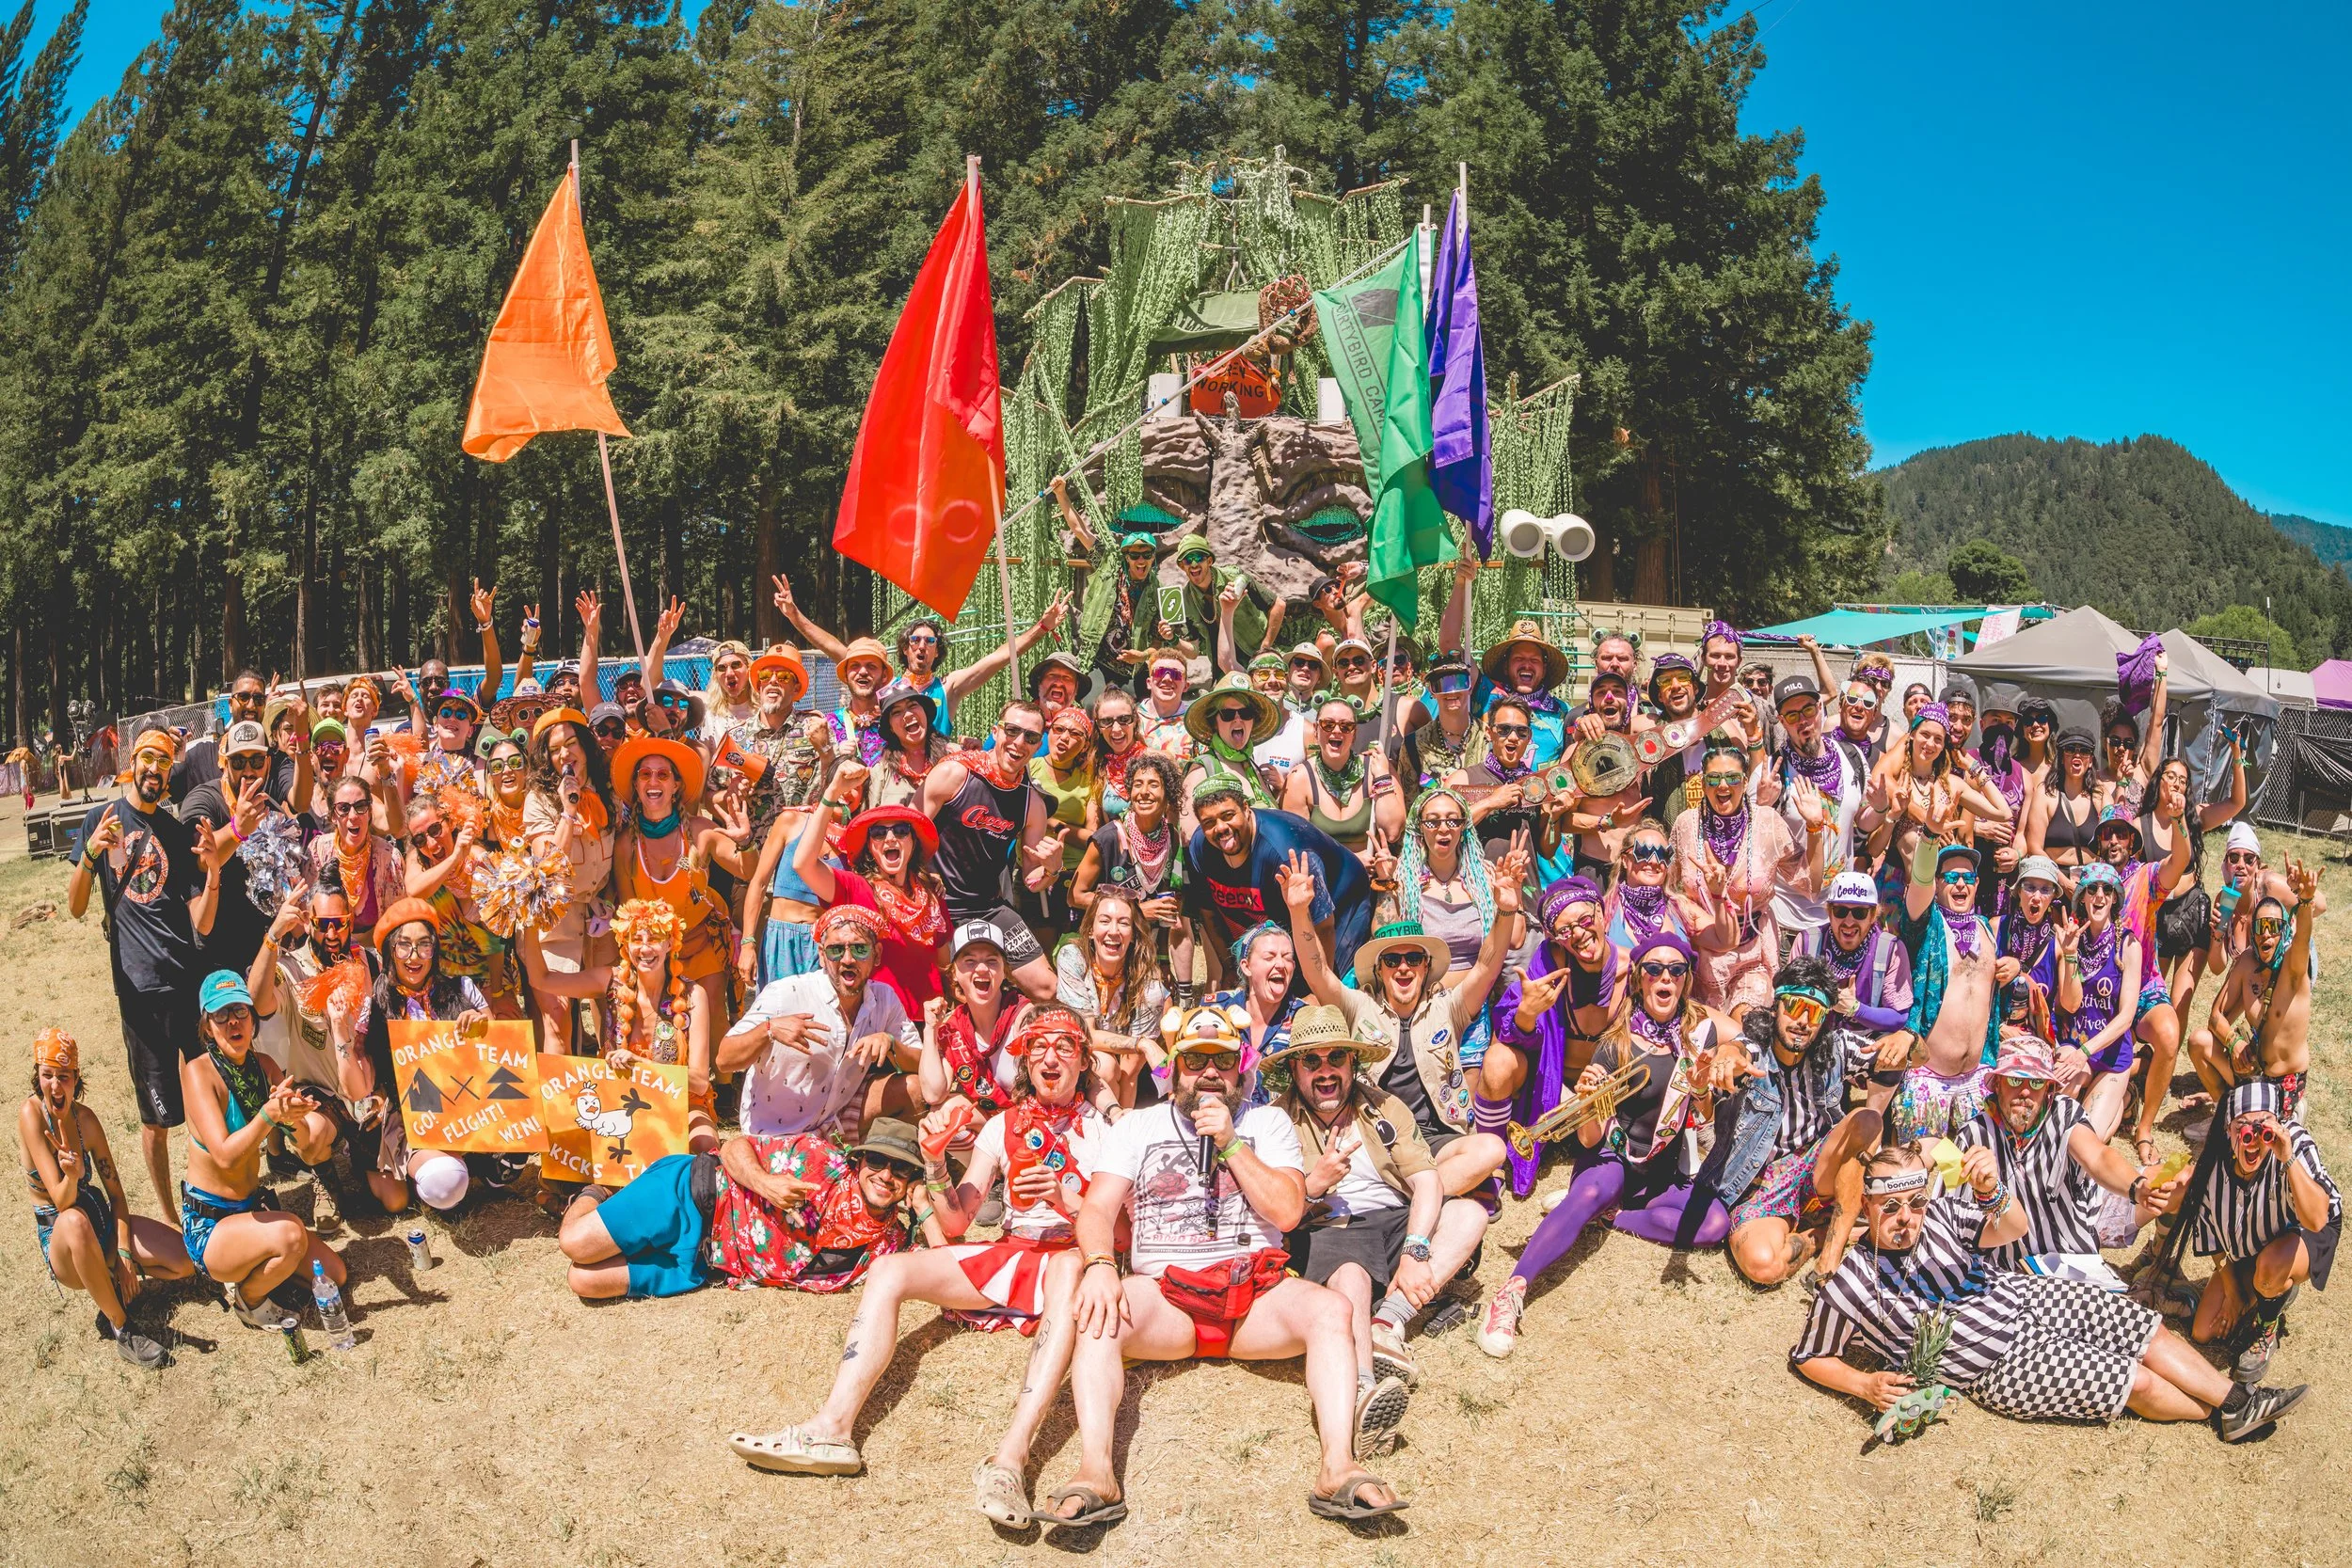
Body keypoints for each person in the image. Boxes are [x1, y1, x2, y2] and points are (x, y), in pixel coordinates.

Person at [730, 1007, 1106, 1508]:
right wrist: (933, 1162)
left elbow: (1119, 1232)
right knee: (890, 1267)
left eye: (1064, 1047)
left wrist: (1064, 1201)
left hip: (1072, 1263)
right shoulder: (1002, 1128)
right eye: (1038, 1047)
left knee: (1066, 1265)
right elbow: (956, 1222)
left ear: (1083, 1059)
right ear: (1024, 1061)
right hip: (1013, 1257)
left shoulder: (1107, 1130)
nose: (1050, 1058)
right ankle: (832, 1428)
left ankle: (1009, 1462)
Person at [1046, 1006, 1406, 1528]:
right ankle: (1095, 1471)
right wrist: (1101, 1263)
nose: (1210, 1072)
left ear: (1243, 1067)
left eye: (1223, 1060)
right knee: (1099, 1318)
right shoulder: (1139, 1126)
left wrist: (1232, 1142)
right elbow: (1099, 1207)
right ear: (1173, 1067)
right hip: (1165, 1296)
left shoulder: (1267, 1122)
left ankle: (1339, 1465)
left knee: (1331, 1309)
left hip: (1255, 1295)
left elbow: (1286, 1210)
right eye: (1195, 1060)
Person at [1793, 1141, 2304, 1443]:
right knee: (2137, 1383)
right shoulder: (1850, 1284)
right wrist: (1863, 1387)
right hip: (1998, 1365)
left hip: (2024, 1294)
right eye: (1891, 1208)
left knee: (2140, 1328)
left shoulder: (1942, 1217)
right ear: (1866, 1206)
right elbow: (1810, 1355)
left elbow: (2013, 1227)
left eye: (1915, 1203)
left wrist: (1993, 1192)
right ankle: (2224, 1415)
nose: (1906, 1218)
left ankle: (2237, 1400)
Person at [1477, 931, 1740, 1355]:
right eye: (1654, 969)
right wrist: (1589, 1104)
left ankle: (1610, 1217)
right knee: (1593, 1190)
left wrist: (1716, 1074)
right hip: (1611, 1160)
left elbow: (1741, 1043)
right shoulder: (1614, 1044)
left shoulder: (1702, 1032)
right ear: (1639, 980)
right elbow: (1589, 1139)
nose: (1664, 977)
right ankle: (1511, 1293)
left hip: (1662, 1171)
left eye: (1676, 970)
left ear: (1686, 980)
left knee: (1714, 1225)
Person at [1274, 1004, 1490, 1431]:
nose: (1325, 1071)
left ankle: (1386, 1322)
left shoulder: (1383, 1107)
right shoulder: (1278, 1120)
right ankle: (1361, 1388)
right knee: (1351, 1276)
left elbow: (1427, 1181)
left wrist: (1415, 1248)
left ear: (1353, 1061)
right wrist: (1314, 1183)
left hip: (1391, 1220)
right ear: (1294, 1069)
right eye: (1311, 1060)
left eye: (1337, 1057)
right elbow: (1275, 1209)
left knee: (1467, 1214)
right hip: (1327, 1227)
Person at [1286, 857, 1519, 1197]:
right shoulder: (1357, 1007)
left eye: (1414, 959)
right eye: (1393, 960)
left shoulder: (1449, 1008)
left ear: (1426, 968)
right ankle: (1428, 1195)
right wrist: (1298, 911)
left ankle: (1405, 1198)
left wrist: (1506, 911)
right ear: (1379, 971)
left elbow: (1486, 966)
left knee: (1490, 1150)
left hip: (1439, 1137)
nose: (1404, 968)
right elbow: (1317, 970)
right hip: (1380, 1138)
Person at [70, 724, 212, 1216]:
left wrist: (214, 869)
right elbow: (75, 906)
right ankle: (171, 1218)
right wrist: (90, 855)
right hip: (140, 991)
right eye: (148, 757)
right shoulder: (100, 818)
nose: (155, 768)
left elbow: (197, 915)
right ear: (133, 758)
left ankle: (208, 1199)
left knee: (204, 1103)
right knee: (157, 1118)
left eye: (164, 760)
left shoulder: (173, 831)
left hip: (188, 985)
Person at [565, 1117, 932, 1302]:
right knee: (575, 1243)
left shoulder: (886, 1241)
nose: (885, 1175)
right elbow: (734, 1147)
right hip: (695, 1194)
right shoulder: (818, 1159)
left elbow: (945, 1261)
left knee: (583, 1280)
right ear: (859, 1159)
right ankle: (596, 1192)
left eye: (900, 1169)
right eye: (878, 1161)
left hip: (703, 1264)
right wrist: (766, 1183)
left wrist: (924, 1205)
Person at [1712, 954, 1893, 1289]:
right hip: (1760, 1186)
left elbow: (1906, 1057)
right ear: (1776, 1007)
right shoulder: (1756, 1048)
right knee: (1764, 1267)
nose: (1802, 1021)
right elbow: (1738, 1051)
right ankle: (1821, 1233)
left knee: (1866, 1119)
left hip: (1817, 1168)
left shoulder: (1836, 1048)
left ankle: (1830, 1258)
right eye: (1795, 1006)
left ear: (1824, 1019)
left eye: (1815, 1013)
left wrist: (1907, 1039)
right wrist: (1728, 1055)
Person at [181, 971, 348, 1329]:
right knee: (290, 1234)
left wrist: (297, 1119)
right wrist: (268, 1116)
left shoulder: (265, 1066)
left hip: (250, 1210)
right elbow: (225, 1155)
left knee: (335, 1274)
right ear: (207, 1026)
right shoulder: (199, 1074)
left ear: (252, 1018)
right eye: (220, 1016)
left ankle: (262, 1264)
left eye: (240, 1011)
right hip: (210, 1224)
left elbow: (304, 1149)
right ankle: (250, 1299)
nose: (233, 1023)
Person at [19, 1028, 192, 1368]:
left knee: (184, 1262)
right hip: (63, 1236)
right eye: (47, 1075)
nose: (55, 1086)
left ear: (76, 1077)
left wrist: (125, 1254)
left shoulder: (87, 1121)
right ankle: (122, 1327)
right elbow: (61, 1201)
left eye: (63, 1077)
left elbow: (117, 1196)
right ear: (37, 1075)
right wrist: (71, 1174)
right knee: (73, 1220)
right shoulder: (32, 1116)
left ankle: (111, 1282)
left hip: (98, 1223)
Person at [1956, 1033, 2169, 1291]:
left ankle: (2160, 1262)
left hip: (2076, 1232)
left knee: (2177, 1178)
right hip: (2011, 1265)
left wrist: (2137, 1187)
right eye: (2015, 1079)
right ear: (1998, 1083)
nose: (2025, 1091)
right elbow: (1950, 1219)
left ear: (2048, 1088)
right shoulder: (1973, 1135)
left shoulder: (2062, 1112)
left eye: (2036, 1083)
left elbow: (2098, 1156)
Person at [523, 897, 719, 1155]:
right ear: (625, 944)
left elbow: (700, 1083)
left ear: (670, 943)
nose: (645, 949)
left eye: (655, 939)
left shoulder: (693, 995)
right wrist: (527, 923)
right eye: (637, 939)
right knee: (563, 1133)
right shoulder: (610, 981)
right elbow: (542, 979)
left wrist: (642, 1066)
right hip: (617, 1099)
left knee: (705, 1143)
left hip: (680, 1103)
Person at [2178, 1079, 2339, 1385]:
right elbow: (2213, 1236)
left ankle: (2268, 1321)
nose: (2253, 1141)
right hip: (2253, 1235)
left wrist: (2287, 1158)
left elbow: (2317, 1219)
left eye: (2262, 1127)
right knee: (2204, 1330)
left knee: (2269, 1270)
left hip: (2303, 1228)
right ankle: (2269, 1289)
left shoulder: (2294, 1143)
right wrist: (2234, 1292)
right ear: (2228, 1130)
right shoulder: (2214, 1163)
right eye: (2244, 1129)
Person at [771, 568, 1066, 735]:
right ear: (905, 648)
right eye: (915, 640)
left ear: (937, 652)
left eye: (930, 641)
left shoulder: (948, 687)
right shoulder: (888, 687)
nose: (922, 646)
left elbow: (999, 658)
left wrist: (1042, 627)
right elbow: (838, 649)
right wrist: (794, 615)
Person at [718, 906, 918, 1140]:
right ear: (822, 956)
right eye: (835, 950)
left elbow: (922, 1064)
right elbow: (724, 1060)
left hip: (834, 1123)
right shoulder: (787, 993)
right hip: (777, 1135)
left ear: (877, 954)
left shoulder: (884, 998)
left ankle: (874, 1163)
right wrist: (768, 1030)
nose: (847, 959)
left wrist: (890, 1043)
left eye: (860, 949)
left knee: (916, 1089)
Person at [246, 881, 389, 1204]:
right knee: (308, 1136)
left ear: (351, 921)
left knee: (392, 1200)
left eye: (339, 923)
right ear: (309, 921)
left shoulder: (370, 962)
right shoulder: (291, 968)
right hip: (323, 1096)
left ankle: (361, 1158)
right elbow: (256, 1000)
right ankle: (324, 1176)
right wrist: (272, 937)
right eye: (323, 924)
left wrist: (383, 1092)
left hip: (367, 1093)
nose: (332, 933)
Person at [918, 701, 1062, 1000]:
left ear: (1038, 745)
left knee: (1047, 989)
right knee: (943, 996)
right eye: (1012, 731)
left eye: (1031, 737)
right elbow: (905, 829)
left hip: (987, 907)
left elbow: (1034, 880)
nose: (1019, 742)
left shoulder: (1031, 803)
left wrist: (1052, 866)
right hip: (936, 905)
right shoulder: (955, 774)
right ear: (996, 732)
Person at [1490, 877, 1622, 1199]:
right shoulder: (1550, 962)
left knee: (1607, 1156)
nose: (1577, 934)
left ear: (1602, 915)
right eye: (1564, 931)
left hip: (1603, 1095)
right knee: (1496, 1060)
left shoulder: (1633, 970)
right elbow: (1509, 1030)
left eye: (1585, 921)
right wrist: (1527, 1013)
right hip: (1552, 1090)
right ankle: (1490, 1162)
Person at [1673, 742, 1827, 1011]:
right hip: (1699, 954)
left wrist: (1815, 828)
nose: (1723, 786)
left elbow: (1810, 884)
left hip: (1752, 953)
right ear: (1703, 782)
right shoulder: (1686, 824)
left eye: (1732, 778)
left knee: (1746, 1032)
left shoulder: (1767, 822)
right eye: (1714, 778)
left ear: (1744, 782)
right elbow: (1669, 887)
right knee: (1705, 1041)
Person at [611, 734, 753, 1019]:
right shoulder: (626, 843)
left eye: (663, 775)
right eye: (645, 775)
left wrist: (745, 841)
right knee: (667, 1038)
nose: (653, 781)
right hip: (655, 953)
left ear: (675, 786)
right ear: (636, 785)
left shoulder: (700, 830)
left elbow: (747, 870)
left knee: (711, 1030)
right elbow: (627, 913)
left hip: (703, 943)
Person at [787, 792, 948, 1012]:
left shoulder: (932, 892)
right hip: (875, 1018)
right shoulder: (856, 888)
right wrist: (832, 793)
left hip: (928, 1017)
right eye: (879, 833)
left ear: (913, 842)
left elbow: (943, 960)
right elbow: (803, 864)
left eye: (901, 831)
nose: (890, 838)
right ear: (871, 848)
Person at [1056, 887, 1169, 1111]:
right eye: (1105, 921)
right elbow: (1085, 1035)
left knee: (1110, 1068)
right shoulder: (1072, 958)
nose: (1114, 931)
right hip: (1087, 1056)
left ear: (1134, 934)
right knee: (1104, 1065)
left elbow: (1131, 1072)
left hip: (1138, 1072)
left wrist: (1124, 1128)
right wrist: (1143, 1044)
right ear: (1089, 929)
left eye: (1124, 923)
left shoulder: (1149, 983)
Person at [2052, 862, 2144, 1139]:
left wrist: (2086, 1053)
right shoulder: (2072, 940)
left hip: (2111, 1055)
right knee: (2054, 1111)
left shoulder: (2128, 945)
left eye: (2107, 889)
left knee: (2090, 1137)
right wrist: (2069, 955)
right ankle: (2103, 1093)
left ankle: (2126, 1097)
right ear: (2083, 897)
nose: (2100, 895)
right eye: (2092, 889)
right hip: (2074, 1043)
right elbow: (2069, 1005)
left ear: (2115, 897)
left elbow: (2126, 1017)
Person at [918, 920, 1035, 1132]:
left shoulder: (1025, 1017)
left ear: (1004, 971)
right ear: (954, 973)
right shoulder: (953, 1027)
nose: (982, 969)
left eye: (992, 961)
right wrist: (930, 1029)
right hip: (998, 1125)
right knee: (938, 1116)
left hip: (1036, 1126)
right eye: (970, 961)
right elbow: (933, 1093)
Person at [1791, 869, 1914, 1038]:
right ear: (1829, 912)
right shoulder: (1807, 942)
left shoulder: (1891, 949)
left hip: (1866, 1047)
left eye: (1859, 913)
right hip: (1813, 1042)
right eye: (1840, 911)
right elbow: (1787, 1004)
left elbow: (1899, 1017)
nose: (1849, 922)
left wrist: (1856, 1009)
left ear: (1872, 915)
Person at [1280, 695, 1400, 857]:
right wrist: (1351, 861)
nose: (1337, 731)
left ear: (1354, 733)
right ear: (1315, 730)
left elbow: (1392, 832)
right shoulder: (1300, 779)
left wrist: (1382, 778)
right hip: (1323, 877)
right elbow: (1297, 845)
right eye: (1328, 724)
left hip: (1371, 877)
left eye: (1346, 726)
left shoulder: (1376, 769)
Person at [1179, 673, 1282, 818]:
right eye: (1228, 714)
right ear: (1214, 722)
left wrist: (1278, 791)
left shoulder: (1251, 766)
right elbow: (1189, 835)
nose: (1238, 719)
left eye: (1246, 713)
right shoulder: (1202, 771)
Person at [1389, 651, 1484, 803]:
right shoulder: (1414, 744)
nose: (1451, 691)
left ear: (1470, 687)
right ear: (1432, 691)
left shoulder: (1491, 739)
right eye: (1442, 684)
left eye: (1459, 682)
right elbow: (1409, 806)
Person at [1474, 619, 1571, 766]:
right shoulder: (1486, 697)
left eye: (1534, 660)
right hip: (1496, 787)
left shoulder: (1564, 712)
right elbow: (1450, 644)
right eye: (1518, 658)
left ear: (1544, 670)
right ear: (1506, 667)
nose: (1526, 665)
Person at [866, 679, 952, 812]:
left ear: (925, 713)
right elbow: (870, 823)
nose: (908, 714)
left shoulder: (953, 757)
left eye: (912, 706)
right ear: (891, 728)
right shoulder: (881, 773)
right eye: (896, 712)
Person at [2026, 729, 2103, 876]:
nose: (2077, 755)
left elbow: (2113, 839)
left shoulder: (2100, 795)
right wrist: (2063, 882)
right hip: (2054, 877)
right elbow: (2034, 847)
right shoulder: (2046, 793)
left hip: (2092, 879)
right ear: (2061, 758)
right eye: (2070, 750)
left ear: (2091, 760)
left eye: (2085, 751)